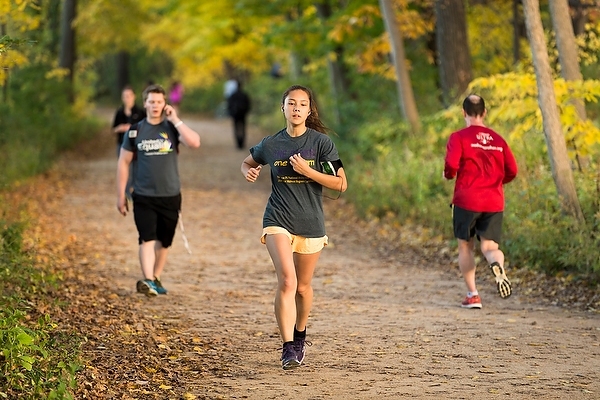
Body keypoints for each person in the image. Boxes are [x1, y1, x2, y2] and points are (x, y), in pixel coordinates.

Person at [241, 84, 348, 370]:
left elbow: (341, 184)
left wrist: (308, 171)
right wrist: (250, 171)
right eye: (291, 103)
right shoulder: (271, 143)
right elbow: (247, 161)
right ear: (283, 108)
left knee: (303, 287)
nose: (297, 108)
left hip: (311, 222)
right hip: (278, 218)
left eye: (303, 104)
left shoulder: (321, 143)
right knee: (287, 281)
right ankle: (288, 347)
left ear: (310, 109)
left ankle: (300, 333)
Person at [116, 84, 201, 297]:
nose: (155, 105)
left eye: (159, 102)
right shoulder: (135, 131)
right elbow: (123, 163)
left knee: (164, 242)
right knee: (147, 238)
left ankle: (155, 277)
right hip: (143, 194)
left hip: (170, 194)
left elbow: (194, 143)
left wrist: (175, 119)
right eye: (151, 102)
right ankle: (148, 279)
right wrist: (121, 195)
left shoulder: (172, 128)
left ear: (165, 104)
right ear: (145, 103)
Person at [443, 94, 518, 309]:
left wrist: (448, 175)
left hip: (467, 200)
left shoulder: (459, 137)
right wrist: (496, 183)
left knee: (465, 247)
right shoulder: (498, 140)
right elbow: (512, 170)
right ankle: (496, 263)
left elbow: (451, 165)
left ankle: (473, 295)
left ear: (463, 112)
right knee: (490, 246)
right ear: (484, 113)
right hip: (493, 201)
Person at [112, 85, 146, 157]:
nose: (126, 99)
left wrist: (132, 128)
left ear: (134, 96)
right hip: (122, 144)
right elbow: (113, 129)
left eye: (128, 96)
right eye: (124, 96)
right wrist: (120, 128)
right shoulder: (119, 112)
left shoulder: (140, 112)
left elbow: (146, 127)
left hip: (137, 144)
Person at [226, 81, 251, 149]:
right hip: (242, 114)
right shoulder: (244, 95)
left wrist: (231, 113)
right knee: (242, 127)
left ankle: (238, 143)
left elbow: (229, 105)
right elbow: (248, 104)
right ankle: (242, 142)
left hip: (235, 114)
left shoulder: (233, 95)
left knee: (236, 128)